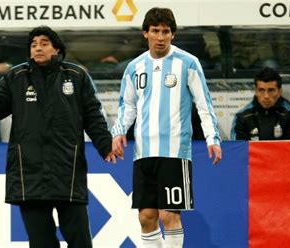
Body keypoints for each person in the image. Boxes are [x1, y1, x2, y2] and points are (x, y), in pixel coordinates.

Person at [0, 26, 117, 248]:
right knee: (41, 244)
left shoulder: (77, 77)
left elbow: (93, 117)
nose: (38, 47)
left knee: (81, 242)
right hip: (29, 174)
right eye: (34, 44)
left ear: (56, 49)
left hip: (67, 171)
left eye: (44, 43)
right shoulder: (16, 77)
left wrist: (106, 145)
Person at [110, 8, 222, 248]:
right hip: (144, 152)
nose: (160, 37)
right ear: (145, 33)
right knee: (146, 217)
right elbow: (127, 106)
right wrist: (118, 132)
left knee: (169, 215)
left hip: (174, 151)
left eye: (165, 32)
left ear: (173, 35)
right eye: (155, 31)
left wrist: (213, 138)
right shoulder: (134, 67)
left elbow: (204, 104)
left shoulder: (188, 63)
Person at [230, 67, 290, 140]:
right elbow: (237, 151)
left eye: (271, 90)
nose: (266, 96)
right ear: (256, 92)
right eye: (261, 90)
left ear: (279, 92)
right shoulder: (242, 117)